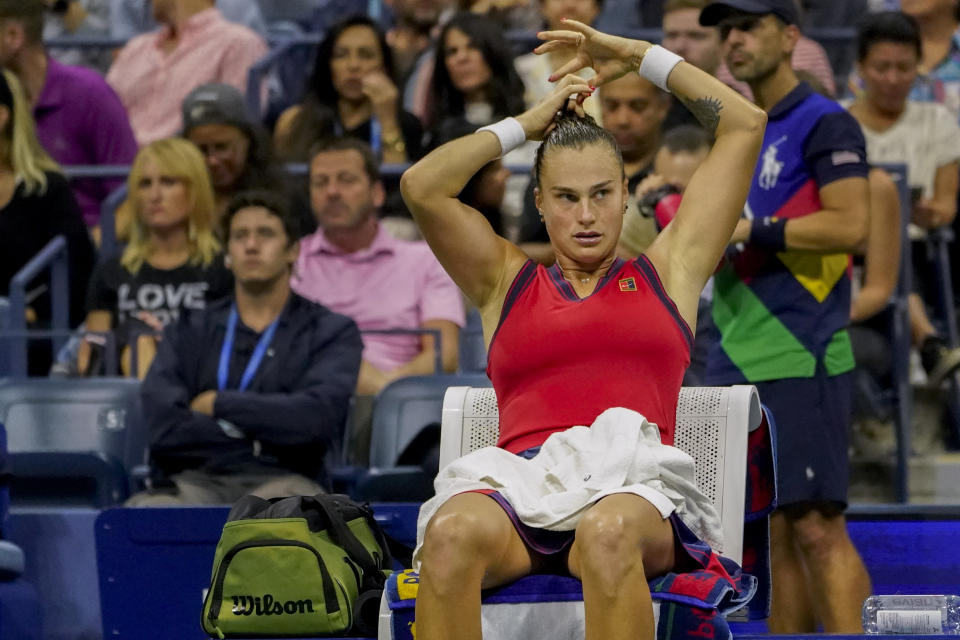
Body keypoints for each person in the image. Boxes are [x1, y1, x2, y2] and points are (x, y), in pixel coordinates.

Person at [400, 17, 766, 639]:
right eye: (566, 198)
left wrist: (640, 55)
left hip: (631, 492)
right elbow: (422, 186)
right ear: (538, 203)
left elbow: (743, 124)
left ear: (627, 194)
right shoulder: (503, 281)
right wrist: (526, 124)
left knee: (606, 532)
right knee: (451, 533)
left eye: (602, 193)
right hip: (521, 488)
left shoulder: (670, 271)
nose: (587, 215)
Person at [699, 0, 872, 631]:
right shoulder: (737, 129)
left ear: (791, 35)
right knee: (774, 533)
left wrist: (755, 229)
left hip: (804, 347)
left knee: (818, 527)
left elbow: (852, 225)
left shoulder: (826, 122)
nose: (735, 38)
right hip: (734, 350)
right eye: (726, 29)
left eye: (750, 25)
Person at [129, 191, 362, 505]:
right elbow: (165, 428)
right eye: (240, 236)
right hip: (195, 482)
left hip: (286, 482)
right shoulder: (188, 327)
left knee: (282, 512)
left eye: (265, 234)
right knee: (147, 512)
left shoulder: (330, 330)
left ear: (293, 250)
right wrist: (259, 440)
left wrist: (218, 404)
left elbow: (314, 420)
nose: (251, 245)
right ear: (227, 254)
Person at [291, 137, 464, 398]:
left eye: (346, 179)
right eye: (321, 182)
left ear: (377, 193)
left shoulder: (424, 261)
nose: (332, 192)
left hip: (402, 403)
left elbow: (444, 355)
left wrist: (386, 392)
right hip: (311, 397)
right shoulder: (289, 261)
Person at [845, 11, 960, 387]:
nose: (893, 79)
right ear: (861, 67)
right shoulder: (837, 123)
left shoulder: (938, 121)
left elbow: (946, 205)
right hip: (848, 251)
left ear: (918, 68)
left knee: (894, 240)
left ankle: (925, 340)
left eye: (904, 68)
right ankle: (927, 340)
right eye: (881, 67)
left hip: (916, 253)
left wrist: (929, 214)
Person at [80, 139, 232, 378]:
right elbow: (90, 357)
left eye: (168, 182)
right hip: (124, 394)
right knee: (137, 337)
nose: (155, 195)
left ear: (195, 190)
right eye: (145, 184)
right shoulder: (112, 270)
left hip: (196, 383)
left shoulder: (222, 268)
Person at [0, 0, 138, 230]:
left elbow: (130, 198)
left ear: (13, 36)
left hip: (81, 246)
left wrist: (88, 249)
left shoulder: (89, 93)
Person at [0, 68, 95, 375]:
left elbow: (78, 274)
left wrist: (26, 313)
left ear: (1, 117)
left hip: (32, 335)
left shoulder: (46, 189)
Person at [106, 0, 268, 146]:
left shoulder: (238, 44)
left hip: (190, 169)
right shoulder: (135, 49)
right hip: (117, 169)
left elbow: (237, 132)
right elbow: (104, 117)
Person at [274, 15, 423, 165]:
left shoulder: (406, 125)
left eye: (366, 55)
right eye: (341, 55)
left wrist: (388, 123)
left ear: (384, 66)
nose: (353, 65)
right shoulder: (294, 123)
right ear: (327, 65)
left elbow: (398, 184)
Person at [181, 82, 314, 236]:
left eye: (222, 147)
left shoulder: (286, 199)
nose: (212, 161)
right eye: (201, 150)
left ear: (249, 142)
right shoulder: (175, 201)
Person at [424, 12, 525, 147]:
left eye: (472, 46)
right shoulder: (438, 133)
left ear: (493, 52)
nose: (462, 58)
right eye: (452, 52)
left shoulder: (530, 111)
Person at [514, 0, 603, 121]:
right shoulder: (520, 69)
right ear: (542, 6)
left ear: (596, 8)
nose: (570, 5)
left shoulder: (612, 68)